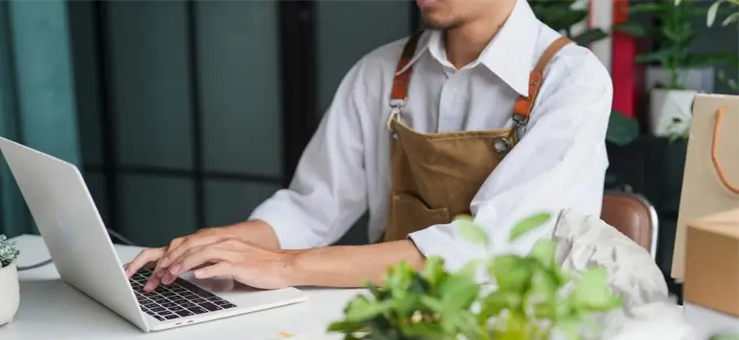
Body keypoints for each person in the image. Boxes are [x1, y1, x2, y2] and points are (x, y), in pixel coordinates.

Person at [126, 0, 612, 292]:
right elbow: (310, 209)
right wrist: (207, 248)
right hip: (392, 318)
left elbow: (490, 249)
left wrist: (285, 266)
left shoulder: (571, 81)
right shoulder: (381, 72)